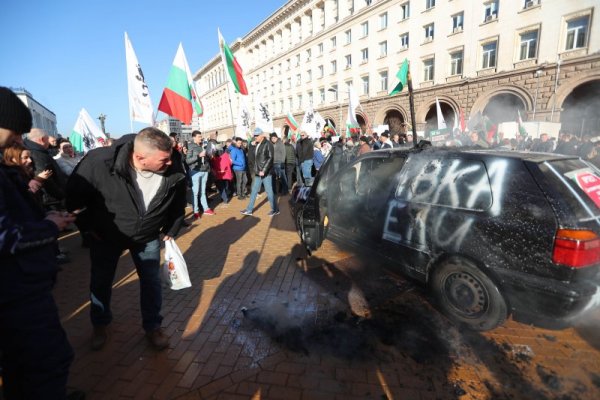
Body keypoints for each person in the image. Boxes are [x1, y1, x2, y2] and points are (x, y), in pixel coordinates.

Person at [66, 127, 187, 351]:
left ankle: (153, 326)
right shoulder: (99, 163)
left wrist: (173, 225)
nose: (170, 163)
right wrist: (88, 228)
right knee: (101, 281)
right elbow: (73, 199)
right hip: (106, 237)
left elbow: (179, 196)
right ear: (140, 157)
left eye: (170, 158)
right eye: (163, 160)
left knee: (151, 282)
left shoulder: (173, 162)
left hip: (147, 236)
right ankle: (100, 324)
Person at [0, 87, 83, 399]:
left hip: (22, 287)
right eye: (15, 131)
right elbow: (5, 236)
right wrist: (48, 227)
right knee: (47, 363)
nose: (20, 140)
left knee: (22, 366)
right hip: (15, 293)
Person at [241, 128, 279, 216]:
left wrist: (264, 170)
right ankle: (249, 209)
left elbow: (270, 158)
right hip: (258, 172)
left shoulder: (268, 144)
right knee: (254, 190)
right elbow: (253, 155)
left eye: (257, 135)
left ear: (262, 135)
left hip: (265, 173)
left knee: (269, 192)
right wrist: (252, 144)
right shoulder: (257, 144)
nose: (255, 137)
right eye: (254, 135)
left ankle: (275, 209)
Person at [186, 130, 214, 218]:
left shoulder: (202, 146)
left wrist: (209, 156)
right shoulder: (190, 146)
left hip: (204, 170)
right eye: (199, 137)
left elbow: (205, 158)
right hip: (195, 171)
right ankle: (196, 211)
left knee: (203, 191)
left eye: (201, 136)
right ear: (194, 137)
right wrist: (198, 156)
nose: (201, 138)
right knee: (195, 192)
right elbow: (188, 160)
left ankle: (206, 209)